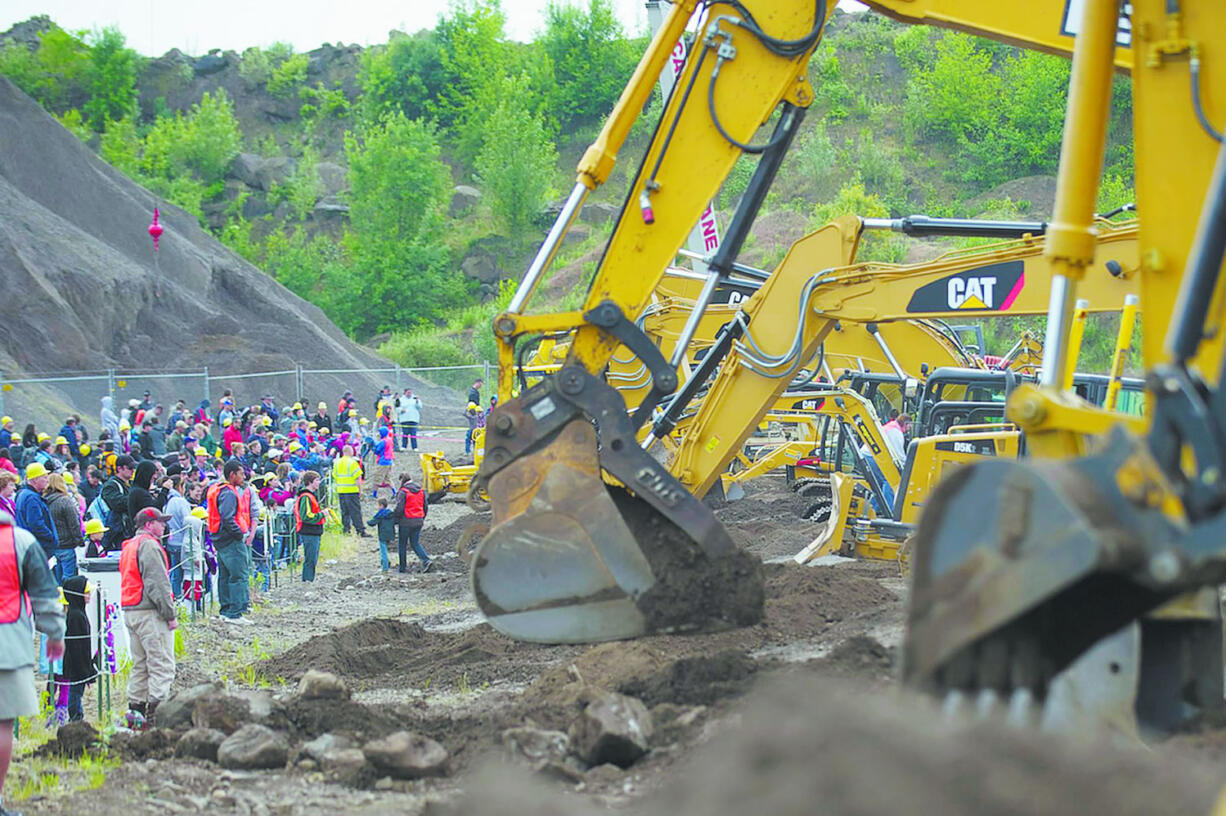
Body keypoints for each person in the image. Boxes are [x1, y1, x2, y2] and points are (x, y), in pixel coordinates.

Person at [0, 510, 65, 816]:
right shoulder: (20, 540)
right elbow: (44, 592)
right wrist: (55, 633)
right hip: (8, 643)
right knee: (2, 724)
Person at [121, 507, 176, 721]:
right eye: (160, 522)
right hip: (150, 613)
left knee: (140, 665)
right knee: (161, 664)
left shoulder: (130, 545)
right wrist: (170, 614)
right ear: (148, 525)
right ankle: (156, 717)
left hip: (131, 610)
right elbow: (158, 584)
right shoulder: (150, 546)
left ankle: (135, 713)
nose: (164, 525)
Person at [207, 461, 252, 624]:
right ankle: (235, 613)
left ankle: (226, 611)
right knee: (238, 575)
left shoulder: (216, 489)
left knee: (225, 576)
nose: (243, 476)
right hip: (230, 539)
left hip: (219, 538)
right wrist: (239, 533)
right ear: (232, 474)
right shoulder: (229, 493)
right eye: (240, 473)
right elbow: (228, 517)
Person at [14, 463, 60, 577]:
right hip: (39, 548)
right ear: (35, 480)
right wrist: (52, 537)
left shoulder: (23, 494)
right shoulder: (31, 498)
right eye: (44, 477)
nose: (47, 480)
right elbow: (36, 525)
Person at [60, 575, 94, 722]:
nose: (89, 596)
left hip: (79, 664)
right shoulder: (75, 616)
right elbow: (77, 647)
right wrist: (85, 670)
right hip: (76, 665)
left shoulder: (78, 613)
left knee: (77, 692)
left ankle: (77, 716)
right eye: (86, 592)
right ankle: (75, 718)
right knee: (75, 693)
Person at [43, 473, 81, 582]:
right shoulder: (65, 501)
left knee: (57, 579)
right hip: (67, 545)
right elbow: (74, 524)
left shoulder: (44, 501)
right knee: (69, 579)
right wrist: (79, 541)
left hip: (52, 546)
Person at [394, 473, 433, 573]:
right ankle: (426, 560)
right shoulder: (421, 491)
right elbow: (425, 506)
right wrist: (422, 518)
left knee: (402, 544)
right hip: (418, 520)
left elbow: (399, 508)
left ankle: (403, 568)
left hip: (406, 521)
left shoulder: (403, 492)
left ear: (402, 480)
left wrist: (395, 519)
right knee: (415, 543)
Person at [293, 471, 325, 582]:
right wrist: (322, 514)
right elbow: (306, 516)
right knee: (310, 559)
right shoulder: (306, 497)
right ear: (310, 482)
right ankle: (307, 581)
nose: (319, 483)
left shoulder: (311, 496)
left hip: (315, 532)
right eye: (317, 480)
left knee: (313, 559)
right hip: (309, 532)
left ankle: (309, 580)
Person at [100, 454, 136, 553]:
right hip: (117, 533)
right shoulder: (111, 485)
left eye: (134, 467)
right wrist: (137, 497)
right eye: (129, 468)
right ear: (119, 468)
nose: (132, 470)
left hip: (128, 531)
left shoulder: (130, 484)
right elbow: (118, 504)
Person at [331, 445, 366, 537]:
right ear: (350, 452)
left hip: (341, 490)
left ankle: (346, 530)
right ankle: (360, 530)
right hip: (352, 490)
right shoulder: (353, 463)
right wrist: (360, 490)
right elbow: (358, 478)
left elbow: (334, 475)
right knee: (355, 511)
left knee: (344, 511)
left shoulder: (337, 463)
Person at [366, 498, 395, 573]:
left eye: (378, 505)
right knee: (386, 549)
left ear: (381, 505)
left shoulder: (380, 514)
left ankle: (385, 568)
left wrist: (367, 522)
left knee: (383, 551)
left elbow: (372, 523)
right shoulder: (391, 513)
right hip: (391, 534)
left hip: (382, 534)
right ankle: (386, 563)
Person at [371, 427, 394, 499]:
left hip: (383, 462)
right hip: (389, 461)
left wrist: (372, 447)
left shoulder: (383, 441)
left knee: (377, 478)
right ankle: (394, 492)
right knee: (388, 479)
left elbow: (377, 451)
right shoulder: (390, 439)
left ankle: (374, 495)